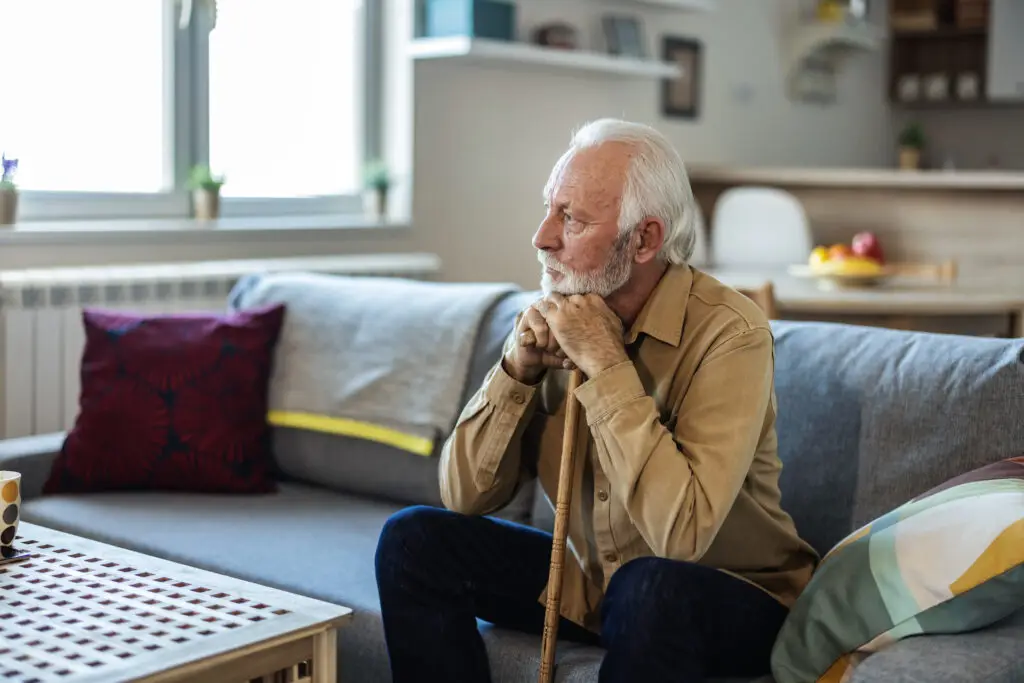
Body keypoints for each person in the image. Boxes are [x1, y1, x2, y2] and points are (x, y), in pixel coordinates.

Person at [374, 119, 819, 683]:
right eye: (548, 208)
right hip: (594, 585)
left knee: (648, 584)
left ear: (645, 240)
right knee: (414, 540)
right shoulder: (562, 308)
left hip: (730, 595)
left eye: (572, 219)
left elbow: (680, 538)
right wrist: (518, 370)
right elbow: (464, 496)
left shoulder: (731, 334)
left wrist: (607, 367)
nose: (541, 237)